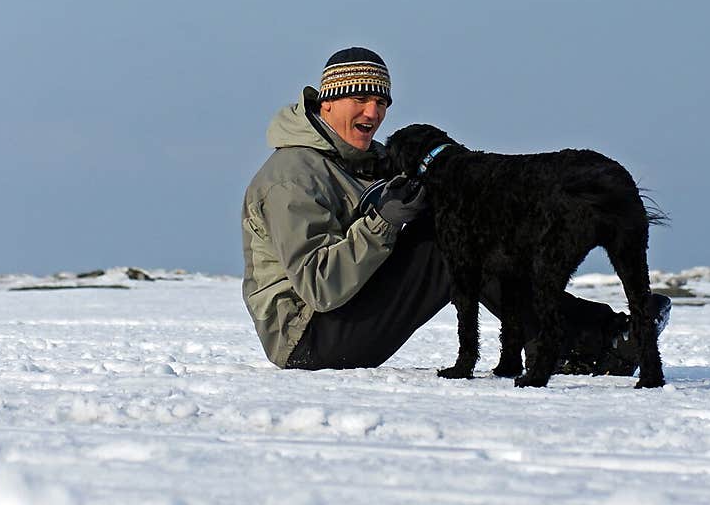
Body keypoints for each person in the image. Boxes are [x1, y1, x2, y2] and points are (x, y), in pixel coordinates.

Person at [241, 46, 670, 373]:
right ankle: (592, 340)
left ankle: (588, 336)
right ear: (327, 102)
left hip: (340, 319)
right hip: (307, 338)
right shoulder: (293, 177)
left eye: (383, 101)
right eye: (360, 98)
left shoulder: (360, 162)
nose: (374, 111)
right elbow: (320, 286)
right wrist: (384, 222)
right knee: (450, 242)